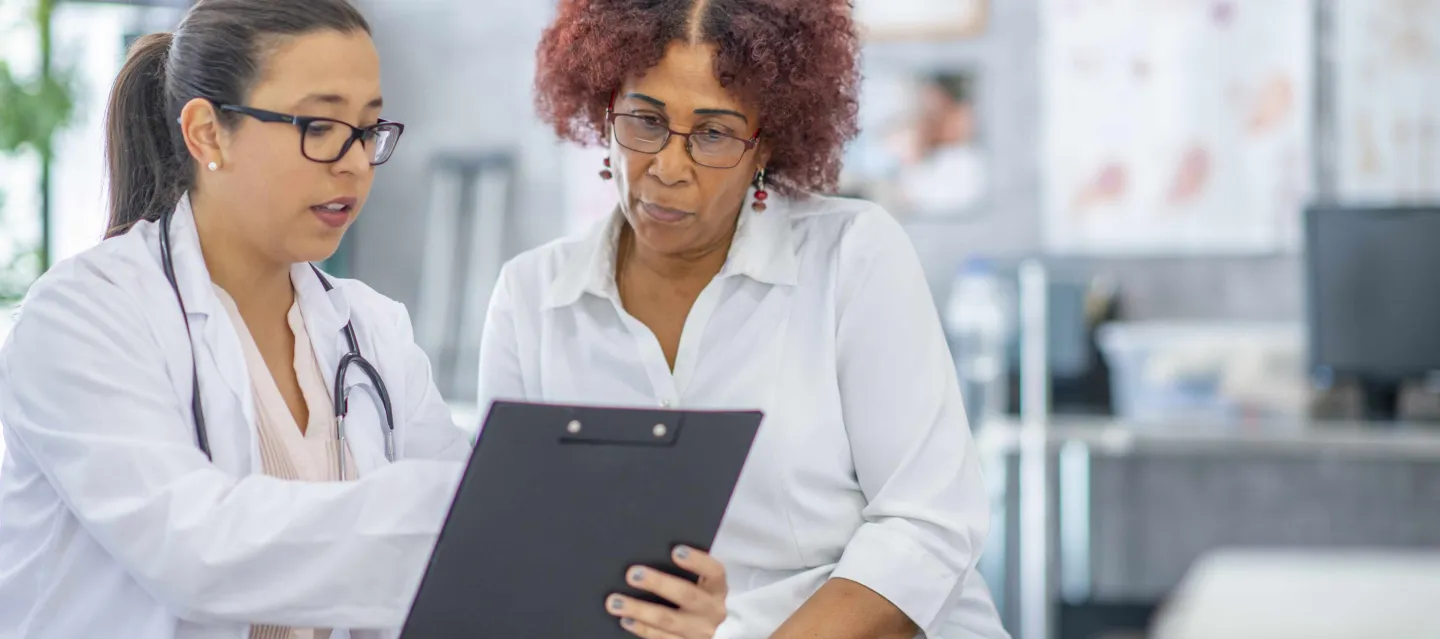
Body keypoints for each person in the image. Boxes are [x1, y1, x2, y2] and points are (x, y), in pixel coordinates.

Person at [0, 1, 726, 637]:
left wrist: (641, 589)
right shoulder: (83, 318)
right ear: (207, 133)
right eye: (319, 126)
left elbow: (478, 563)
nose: (353, 163)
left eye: (370, 129)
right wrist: (490, 509)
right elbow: (197, 550)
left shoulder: (370, 330)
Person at [477, 1, 1008, 638]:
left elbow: (926, 526)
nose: (669, 169)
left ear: (767, 144)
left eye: (714, 134)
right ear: (604, 109)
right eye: (645, 122)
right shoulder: (532, 297)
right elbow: (516, 543)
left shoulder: (851, 257)